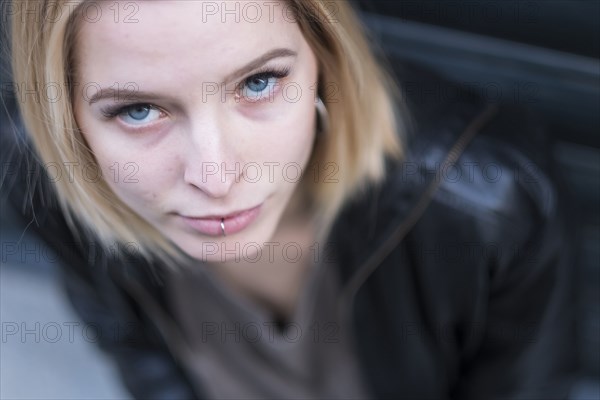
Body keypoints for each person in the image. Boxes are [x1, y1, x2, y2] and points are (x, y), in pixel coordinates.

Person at [3, 0, 578, 399]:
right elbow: (132, 345)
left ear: (323, 60)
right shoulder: (50, 178)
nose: (216, 175)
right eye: (138, 110)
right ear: (67, 118)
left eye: (258, 82)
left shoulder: (485, 198)